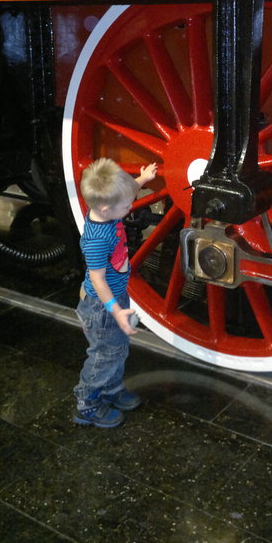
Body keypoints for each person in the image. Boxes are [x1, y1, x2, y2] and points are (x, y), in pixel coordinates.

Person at [73, 157, 158, 428]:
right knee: (103, 354)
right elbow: (97, 279)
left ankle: (110, 390)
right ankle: (86, 403)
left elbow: (126, 190)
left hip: (114, 297)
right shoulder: (98, 239)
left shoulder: (106, 208)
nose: (131, 206)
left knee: (117, 349)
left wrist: (142, 179)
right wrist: (116, 310)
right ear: (107, 209)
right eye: (126, 206)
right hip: (101, 305)